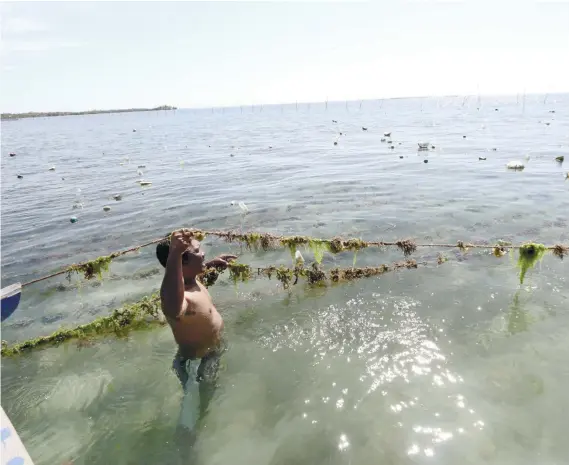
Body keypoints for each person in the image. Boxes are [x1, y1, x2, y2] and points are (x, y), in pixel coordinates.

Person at [156, 229, 237, 430]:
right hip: (195, 363)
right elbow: (173, 304)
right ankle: (187, 446)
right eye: (198, 251)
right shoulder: (180, 300)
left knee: (209, 396)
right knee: (195, 406)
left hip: (210, 352)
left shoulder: (192, 281)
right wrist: (174, 252)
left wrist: (210, 265)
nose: (203, 254)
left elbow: (186, 275)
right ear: (180, 262)